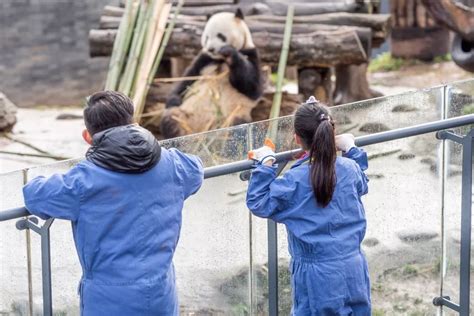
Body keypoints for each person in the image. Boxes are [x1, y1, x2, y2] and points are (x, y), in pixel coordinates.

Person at [22, 91, 204, 315]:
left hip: (108, 301)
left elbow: (34, 196)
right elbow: (196, 170)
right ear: (135, 123)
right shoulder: (173, 163)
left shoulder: (83, 180)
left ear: (88, 137)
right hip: (161, 293)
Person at [246, 97, 371, 315]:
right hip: (354, 267)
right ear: (332, 134)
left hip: (317, 274)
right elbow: (362, 181)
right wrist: (351, 148)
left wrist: (266, 163)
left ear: (297, 138)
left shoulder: (294, 180)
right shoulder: (349, 169)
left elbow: (259, 201)